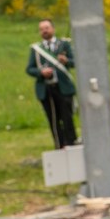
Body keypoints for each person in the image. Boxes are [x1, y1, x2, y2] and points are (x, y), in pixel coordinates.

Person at [26, 17, 78, 148]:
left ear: (53, 29)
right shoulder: (36, 49)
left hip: (63, 87)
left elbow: (75, 62)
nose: (44, 31)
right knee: (53, 119)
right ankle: (59, 145)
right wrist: (41, 72)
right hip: (47, 89)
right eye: (41, 29)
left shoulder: (64, 44)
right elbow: (29, 69)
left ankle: (71, 143)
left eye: (46, 28)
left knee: (67, 117)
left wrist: (66, 61)